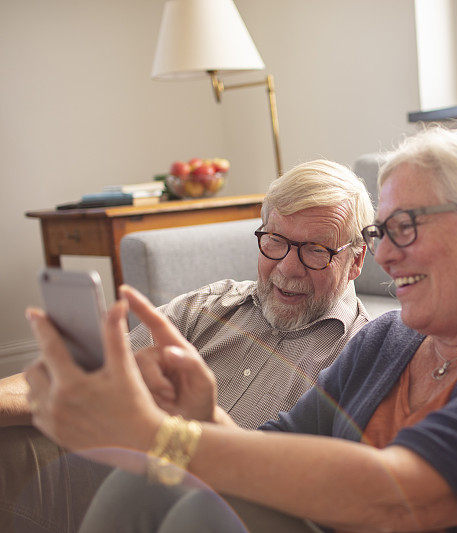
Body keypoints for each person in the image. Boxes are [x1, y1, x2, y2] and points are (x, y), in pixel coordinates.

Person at [25, 128, 457, 532]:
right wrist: (200, 416)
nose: (385, 256)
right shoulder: (387, 343)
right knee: (152, 483)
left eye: (405, 227)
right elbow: (274, 455)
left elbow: (393, 495)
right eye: (381, 232)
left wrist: (161, 435)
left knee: (196, 501)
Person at [1, 159, 373, 532]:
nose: (288, 268)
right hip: (125, 479)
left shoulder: (361, 358)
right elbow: (85, 376)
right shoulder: (210, 306)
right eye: (275, 241)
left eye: (315, 251)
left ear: (356, 260)